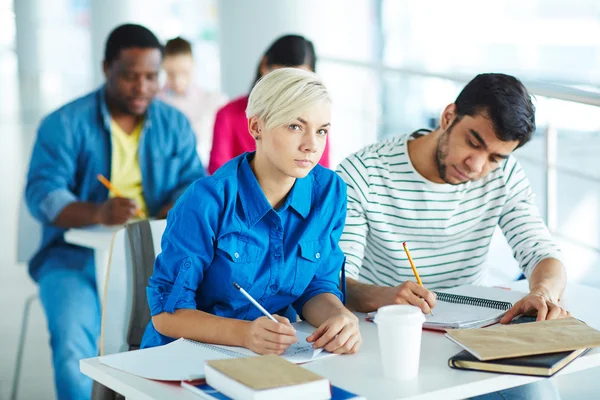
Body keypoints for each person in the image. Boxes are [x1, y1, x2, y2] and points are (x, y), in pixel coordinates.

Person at [336, 73, 566, 399]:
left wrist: (544, 292)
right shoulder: (364, 173)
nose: (476, 166)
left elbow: (542, 252)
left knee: (538, 395)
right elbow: (337, 281)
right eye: (473, 142)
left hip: (473, 338)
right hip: (389, 337)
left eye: (495, 157)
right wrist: (384, 297)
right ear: (448, 117)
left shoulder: (505, 176)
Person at [25, 24, 205, 400]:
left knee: (179, 343)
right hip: (73, 258)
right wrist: (98, 212)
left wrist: (176, 206)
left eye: (151, 77)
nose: (142, 87)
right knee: (76, 345)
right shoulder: (64, 124)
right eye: (130, 76)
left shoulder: (174, 123)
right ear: (107, 67)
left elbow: (193, 181)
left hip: (156, 256)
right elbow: (43, 194)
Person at [140, 68, 361, 358]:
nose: (311, 145)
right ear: (256, 126)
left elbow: (316, 285)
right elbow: (167, 315)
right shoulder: (205, 201)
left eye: (321, 130)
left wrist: (339, 318)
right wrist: (244, 334)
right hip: (182, 357)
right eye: (295, 126)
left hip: (268, 357)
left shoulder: (329, 192)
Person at [208, 34, 331, 174]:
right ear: (265, 65)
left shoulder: (314, 122)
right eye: (294, 127)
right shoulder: (228, 115)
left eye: (321, 131)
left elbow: (321, 174)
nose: (292, 90)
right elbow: (218, 173)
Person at [158, 36, 228, 168]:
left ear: (194, 65)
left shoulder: (214, 101)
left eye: (185, 72)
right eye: (171, 74)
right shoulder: (156, 103)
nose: (178, 81)